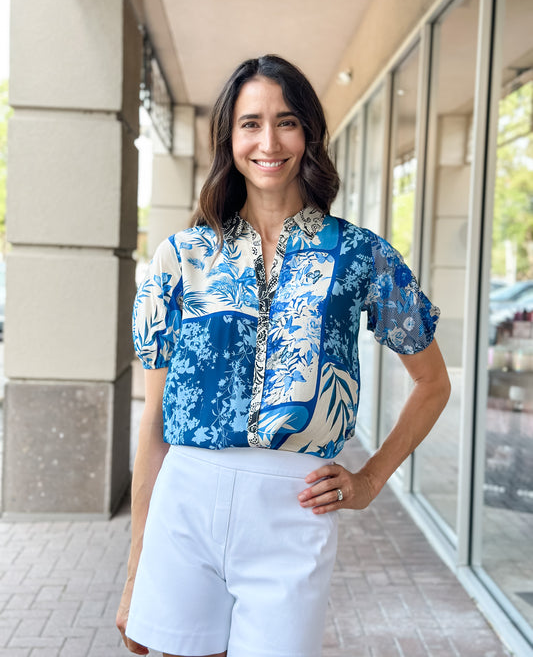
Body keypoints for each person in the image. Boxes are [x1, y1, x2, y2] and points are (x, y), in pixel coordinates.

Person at [116, 54, 451, 657]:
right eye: (250, 123)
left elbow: (433, 383)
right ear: (229, 139)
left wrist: (371, 479)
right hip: (184, 503)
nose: (268, 141)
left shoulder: (359, 255)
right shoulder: (182, 257)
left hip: (294, 508)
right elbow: (154, 422)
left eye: (286, 121)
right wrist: (136, 569)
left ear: (309, 135)